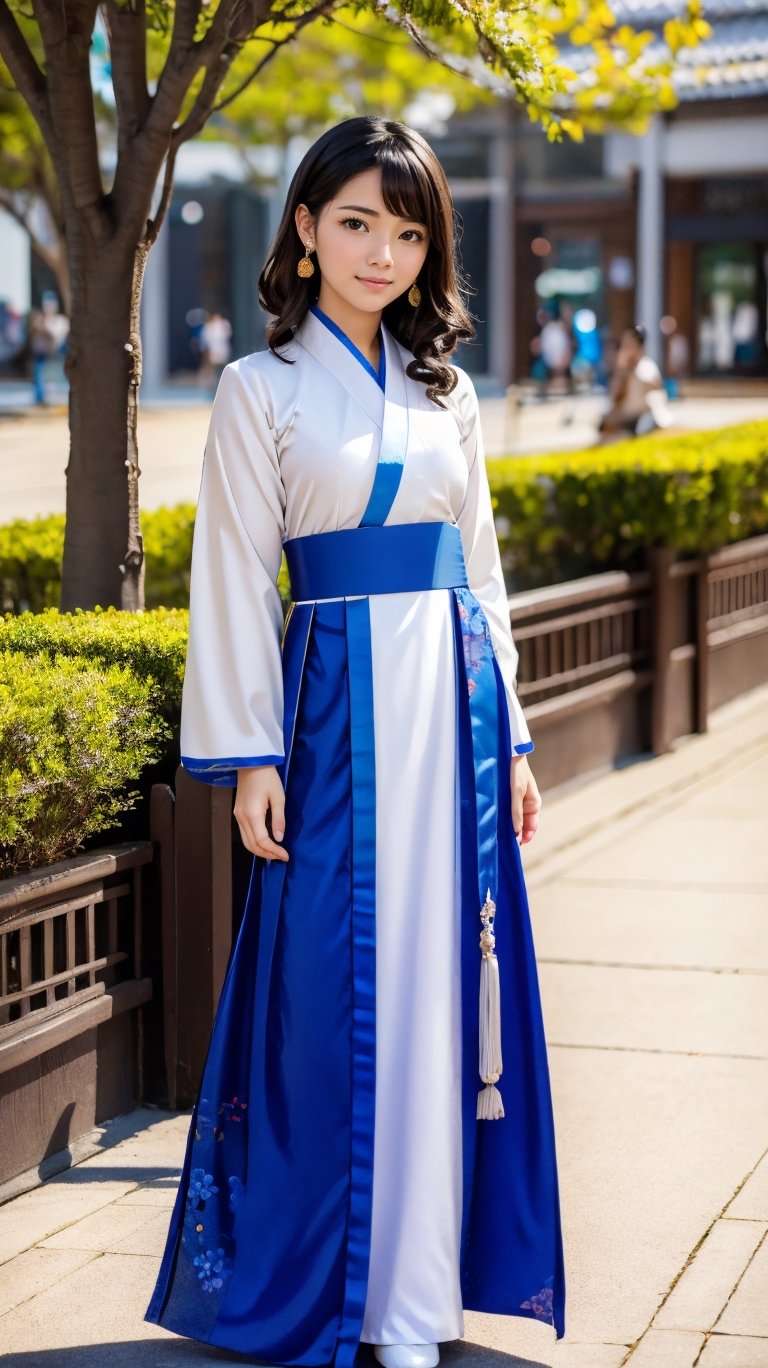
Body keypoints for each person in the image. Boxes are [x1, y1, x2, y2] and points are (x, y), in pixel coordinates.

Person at [145, 116, 565, 1368]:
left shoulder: (450, 395)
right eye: (356, 223)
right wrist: (249, 758)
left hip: (456, 721)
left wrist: (522, 742)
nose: (382, 252)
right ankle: (342, 1291)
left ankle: (420, 1302)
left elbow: (480, 576)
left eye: (407, 228)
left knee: (447, 991)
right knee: (329, 1001)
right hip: (332, 725)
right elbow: (229, 580)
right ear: (305, 229)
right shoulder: (256, 388)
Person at [598, 322, 669, 441]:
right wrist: (621, 371)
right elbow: (615, 398)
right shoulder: (622, 370)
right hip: (626, 417)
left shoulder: (646, 366)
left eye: (630, 343)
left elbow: (656, 389)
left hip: (641, 419)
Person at [28, 292, 69, 405]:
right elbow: (31, 337)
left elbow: (54, 338)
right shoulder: (39, 319)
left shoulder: (60, 321)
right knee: (38, 372)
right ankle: (39, 399)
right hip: (40, 355)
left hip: (56, 354)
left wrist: (41, 328)